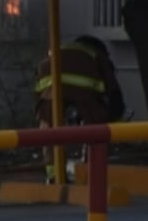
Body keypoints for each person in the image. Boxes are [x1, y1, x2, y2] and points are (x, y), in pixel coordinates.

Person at [33, 35, 125, 183]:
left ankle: (53, 175)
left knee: (49, 129)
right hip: (84, 92)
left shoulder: (57, 52)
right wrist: (115, 116)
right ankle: (92, 172)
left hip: (49, 85)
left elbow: (38, 93)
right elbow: (113, 91)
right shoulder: (98, 56)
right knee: (96, 129)